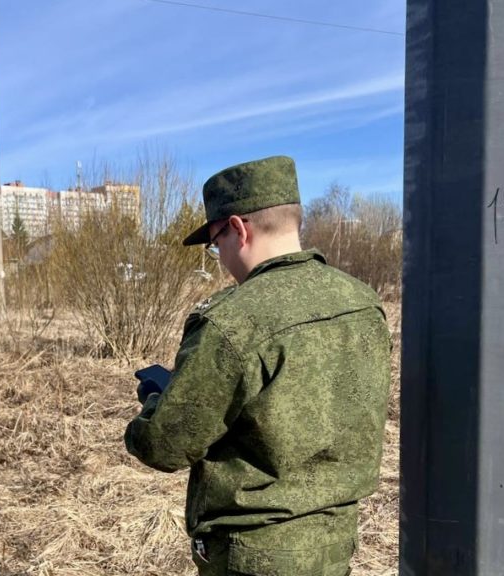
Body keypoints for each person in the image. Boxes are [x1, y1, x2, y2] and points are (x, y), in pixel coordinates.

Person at [124, 156, 392, 576]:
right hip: (334, 544)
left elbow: (164, 445)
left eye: (216, 244)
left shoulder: (233, 321)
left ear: (238, 229)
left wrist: (158, 399)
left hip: (251, 555)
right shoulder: (362, 302)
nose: (220, 257)